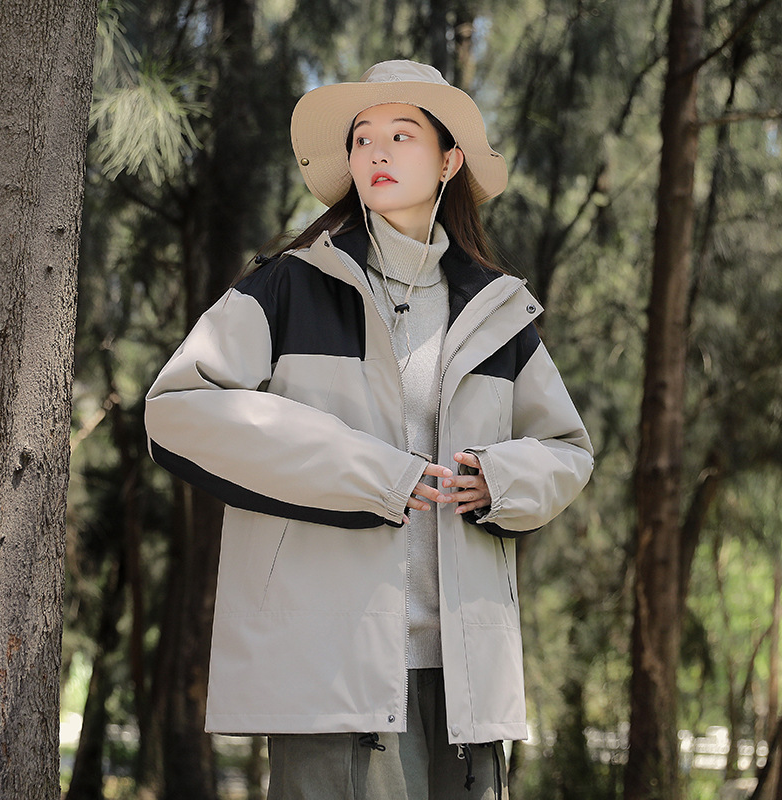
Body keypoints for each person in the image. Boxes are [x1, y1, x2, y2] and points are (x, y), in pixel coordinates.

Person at [145, 59, 594, 799]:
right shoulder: (289, 284)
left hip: (467, 679)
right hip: (331, 669)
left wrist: (501, 479)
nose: (376, 152)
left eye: (401, 134)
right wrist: (369, 472)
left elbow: (568, 451)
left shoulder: (497, 311)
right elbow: (179, 408)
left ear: (449, 161)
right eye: (362, 138)